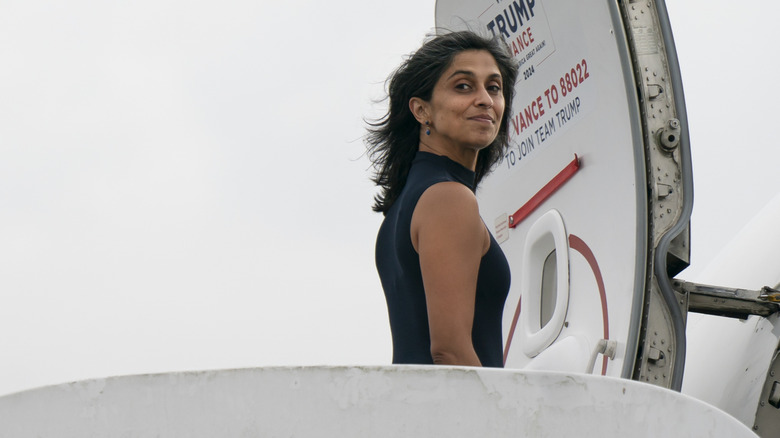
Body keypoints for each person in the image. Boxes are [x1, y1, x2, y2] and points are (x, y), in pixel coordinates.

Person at [367, 31, 518, 367]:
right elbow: (450, 353)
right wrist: (498, 403)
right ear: (422, 110)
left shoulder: (406, 205)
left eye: (494, 87)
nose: (484, 99)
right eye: (463, 86)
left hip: (417, 397)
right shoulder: (448, 199)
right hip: (455, 399)